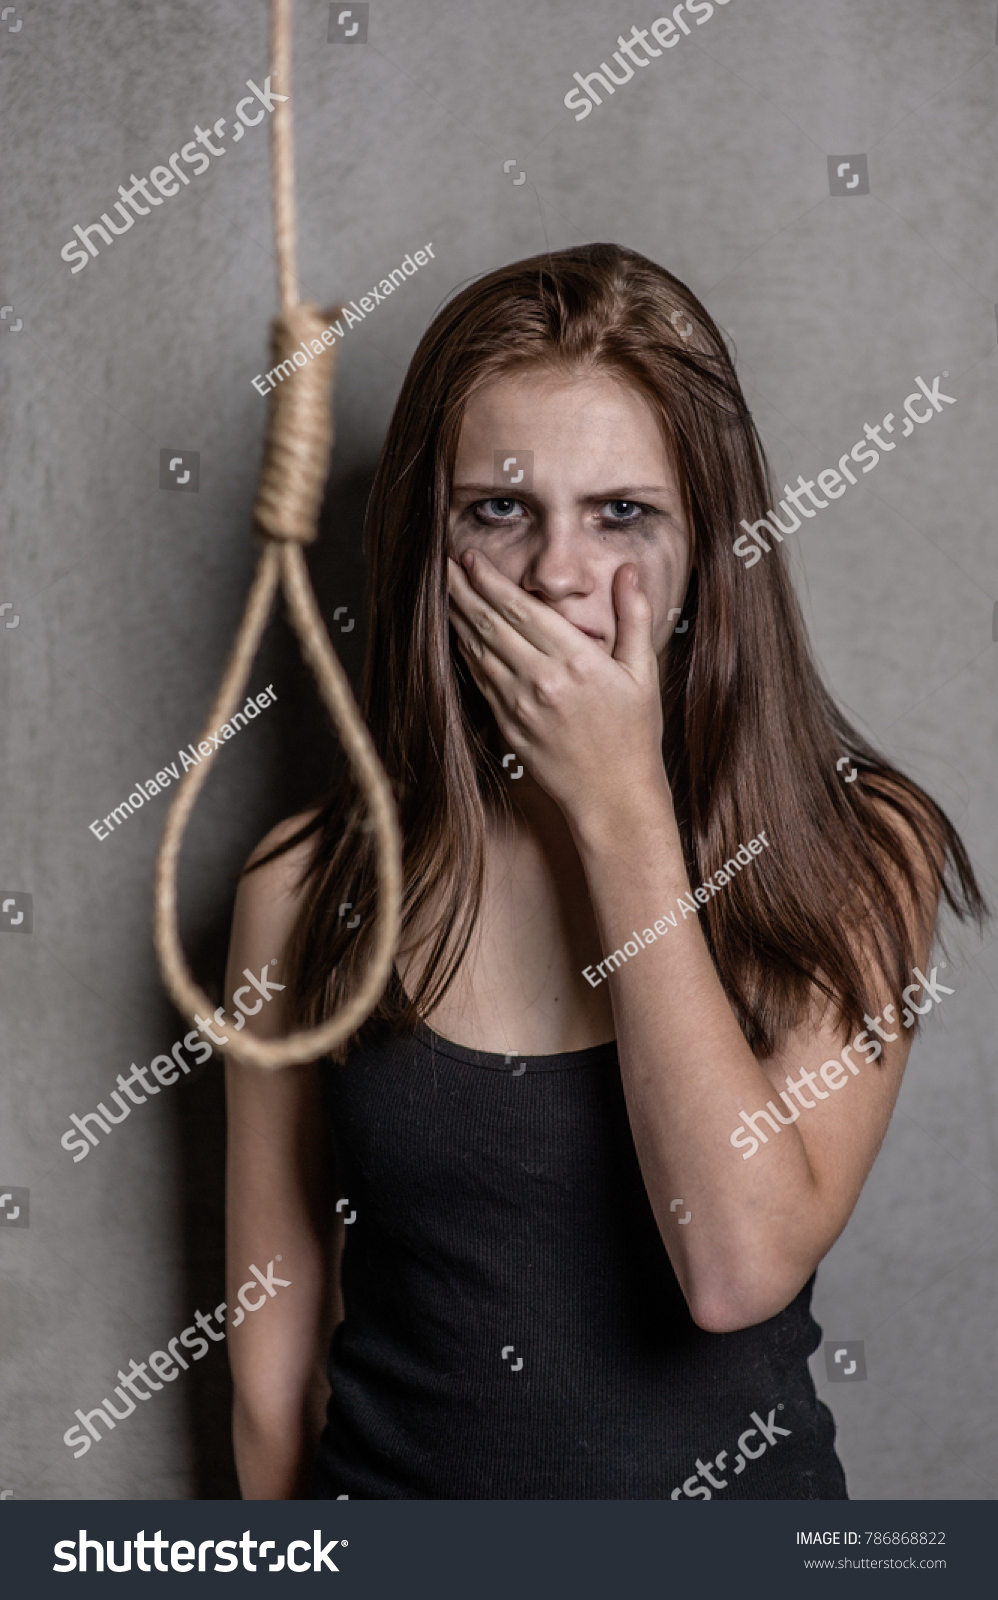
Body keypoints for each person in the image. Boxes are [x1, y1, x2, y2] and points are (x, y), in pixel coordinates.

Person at [223, 243, 986, 1500]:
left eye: (621, 513)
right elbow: (270, 1375)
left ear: (707, 550)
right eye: (500, 509)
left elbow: (735, 1266)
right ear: (430, 544)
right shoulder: (307, 884)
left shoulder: (853, 849)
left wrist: (620, 808)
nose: (559, 573)